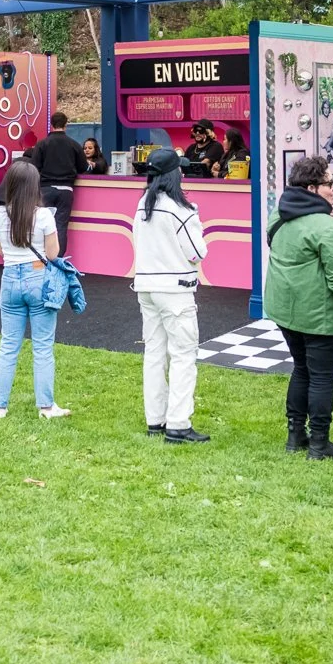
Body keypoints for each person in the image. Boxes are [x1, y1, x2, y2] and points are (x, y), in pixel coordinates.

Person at [264, 155, 333, 460]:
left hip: (283, 309)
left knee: (301, 368)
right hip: (317, 313)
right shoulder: (326, 227)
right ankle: (320, 444)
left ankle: (296, 437)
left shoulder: (279, 214)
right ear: (312, 187)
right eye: (330, 183)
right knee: (321, 376)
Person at [131, 147, 209, 443]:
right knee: (183, 355)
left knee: (154, 353)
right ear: (175, 175)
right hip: (175, 290)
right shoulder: (181, 211)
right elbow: (196, 252)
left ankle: (156, 419)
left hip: (146, 287)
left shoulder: (142, 206)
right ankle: (178, 422)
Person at [0, 160, 69, 420]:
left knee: (8, 345)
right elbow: (54, 253)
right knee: (43, 346)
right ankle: (46, 407)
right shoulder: (44, 216)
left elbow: (1, 251)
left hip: (10, 278)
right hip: (39, 277)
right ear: (35, 187)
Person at [25, 115, 88, 256]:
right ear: (66, 125)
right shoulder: (74, 144)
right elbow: (83, 166)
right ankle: (58, 259)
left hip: (45, 189)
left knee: (42, 224)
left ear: (51, 124)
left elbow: (34, 167)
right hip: (66, 190)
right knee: (60, 226)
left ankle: (42, 257)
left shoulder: (42, 144)